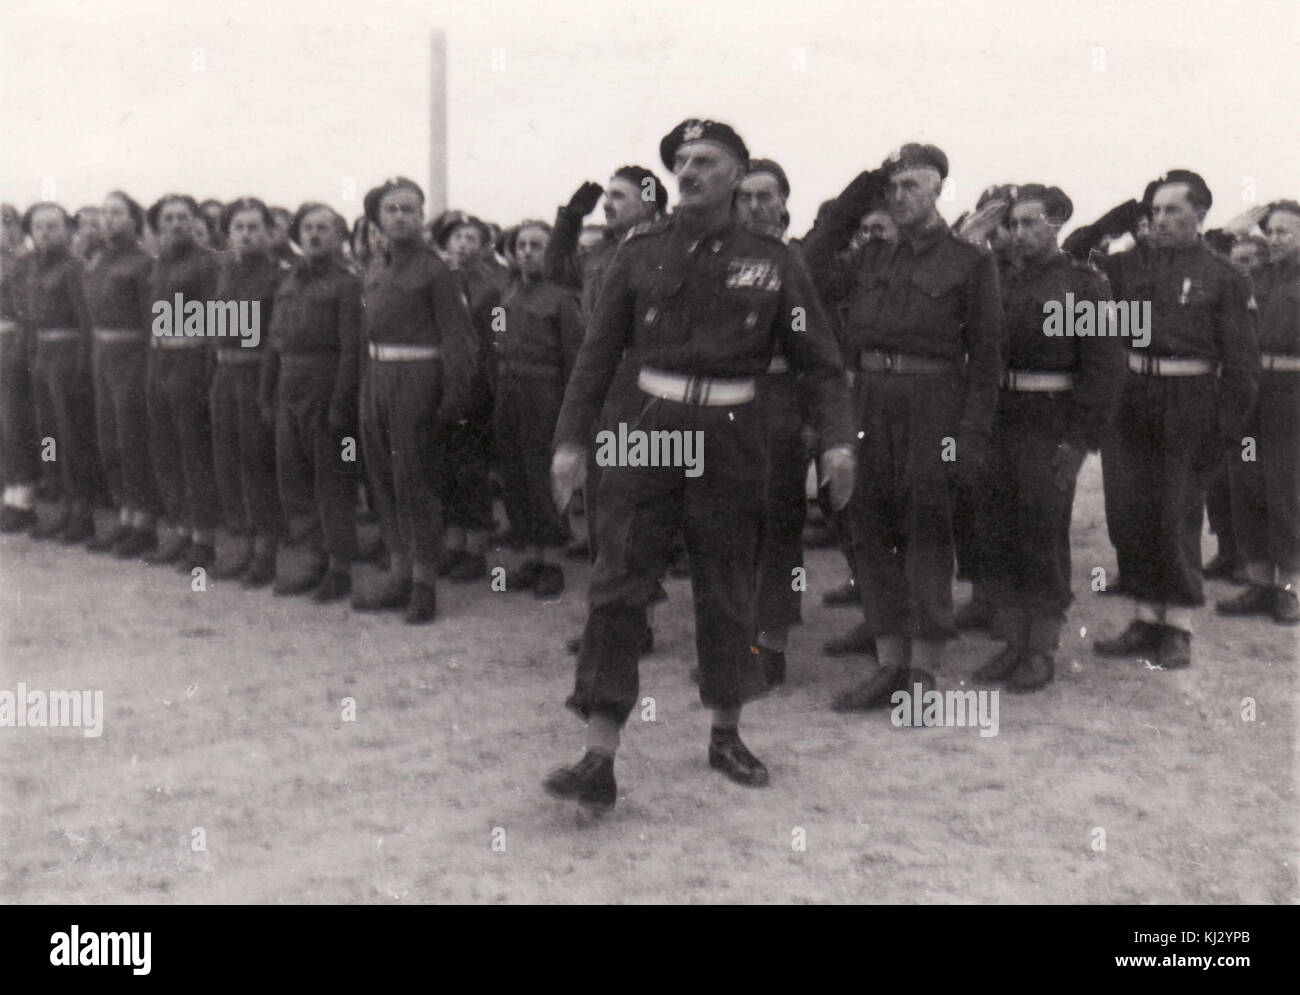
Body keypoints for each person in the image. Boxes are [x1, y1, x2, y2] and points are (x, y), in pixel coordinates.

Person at [543, 118, 856, 812]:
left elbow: (822, 365)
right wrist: (569, 441)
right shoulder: (639, 251)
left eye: (706, 160)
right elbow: (596, 356)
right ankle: (599, 751)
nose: (688, 171)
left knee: (726, 585)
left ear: (738, 173)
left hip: (733, 431)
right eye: (681, 160)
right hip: (647, 429)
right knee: (619, 581)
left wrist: (838, 440)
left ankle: (726, 730)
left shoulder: (775, 261)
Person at [802, 143, 1005, 712]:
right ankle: (889, 662)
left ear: (939, 189)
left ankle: (924, 672)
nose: (899, 197)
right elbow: (809, 267)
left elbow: (987, 361)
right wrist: (855, 195)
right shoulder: (871, 257)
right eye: (891, 188)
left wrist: (970, 438)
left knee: (925, 536)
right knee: (868, 530)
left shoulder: (969, 261)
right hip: (867, 402)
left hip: (933, 405)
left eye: (911, 185)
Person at [1092, 171, 1259, 668]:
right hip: (1133, 396)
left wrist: (1224, 431)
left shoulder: (1225, 277)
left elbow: (1243, 367)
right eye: (1155, 212)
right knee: (1132, 512)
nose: (1160, 221)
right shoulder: (1127, 269)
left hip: (1189, 403)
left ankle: (1178, 623)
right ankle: (1146, 615)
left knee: (1177, 515)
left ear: (1200, 216)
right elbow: (1082, 253)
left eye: (1172, 211)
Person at [971, 185, 1124, 690]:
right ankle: (1012, 640)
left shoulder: (1082, 285)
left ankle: (1040, 648)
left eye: (1031, 222)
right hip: (1000, 420)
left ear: (1056, 224)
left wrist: (1080, 440)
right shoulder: (998, 280)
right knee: (998, 532)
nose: (1019, 233)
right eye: (1013, 224)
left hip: (1049, 423)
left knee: (1042, 536)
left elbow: (1104, 369)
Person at [353, 177, 478, 624]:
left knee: (416, 483)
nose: (402, 217)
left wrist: (453, 396)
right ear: (377, 219)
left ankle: (424, 583)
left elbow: (458, 340)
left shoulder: (436, 270)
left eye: (410, 209)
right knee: (383, 482)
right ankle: (398, 573)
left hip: (418, 383)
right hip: (378, 380)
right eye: (392, 209)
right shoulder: (375, 268)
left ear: (422, 217)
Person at [260, 202, 362, 601]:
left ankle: (340, 569)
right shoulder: (289, 283)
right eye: (307, 229)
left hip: (325, 390)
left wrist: (341, 404)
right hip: (289, 391)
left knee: (332, 484)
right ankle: (314, 560)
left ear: (338, 237)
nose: (314, 235)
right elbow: (274, 342)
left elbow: (351, 350)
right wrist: (266, 393)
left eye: (323, 229)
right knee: (295, 483)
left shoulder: (346, 284)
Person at [736, 156, 806, 686]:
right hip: (727, 403)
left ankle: (771, 646)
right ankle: (738, 640)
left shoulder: (796, 260)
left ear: (784, 203)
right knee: (729, 527)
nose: (756, 206)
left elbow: (818, 348)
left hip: (779, 401)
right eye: (747, 197)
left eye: (766, 196)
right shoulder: (719, 260)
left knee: (777, 526)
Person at [1217, 200, 1300, 625]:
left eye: (1285, 231)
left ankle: (1289, 586)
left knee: (1285, 491)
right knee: (1247, 484)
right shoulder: (1253, 278)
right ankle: (1258, 580)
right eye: (1272, 231)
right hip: (1251, 398)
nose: (1276, 239)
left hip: (1291, 399)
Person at [494, 220, 583, 598]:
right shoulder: (507, 296)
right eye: (521, 246)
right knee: (514, 476)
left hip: (543, 395)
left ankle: (552, 562)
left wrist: (569, 415)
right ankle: (530, 555)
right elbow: (492, 342)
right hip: (507, 393)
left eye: (536, 245)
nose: (527, 251)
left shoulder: (562, 300)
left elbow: (575, 359)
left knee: (541, 476)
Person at [208, 197, 286, 586]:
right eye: (239, 227)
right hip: (225, 374)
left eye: (254, 227)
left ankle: (266, 552)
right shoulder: (225, 272)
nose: (246, 234)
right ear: (228, 233)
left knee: (258, 464)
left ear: (269, 233)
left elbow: (276, 340)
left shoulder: (278, 277)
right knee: (231, 461)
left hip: (257, 375)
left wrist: (269, 391)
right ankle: (245, 544)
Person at [142, 194, 222, 571]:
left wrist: (208, 372)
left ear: (193, 222)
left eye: (183, 218)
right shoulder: (158, 266)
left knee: (194, 455)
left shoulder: (207, 264)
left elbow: (217, 321)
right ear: (158, 228)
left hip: (192, 362)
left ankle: (203, 542)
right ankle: (181, 533)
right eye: (168, 219)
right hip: (161, 361)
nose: (176, 225)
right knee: (166, 452)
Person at [83, 190, 159, 556]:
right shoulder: (96, 261)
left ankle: (143, 525)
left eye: (117, 212)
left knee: (132, 442)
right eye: (105, 212)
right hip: (103, 355)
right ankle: (125, 517)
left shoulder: (144, 264)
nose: (108, 219)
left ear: (133, 221)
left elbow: (151, 323)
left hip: (132, 357)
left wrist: (148, 370)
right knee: (109, 440)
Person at [432, 210, 504, 581]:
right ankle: (453, 544)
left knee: (471, 470)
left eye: (471, 238)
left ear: (483, 246)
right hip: (441, 382)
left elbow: (495, 340)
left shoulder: (491, 287)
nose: (463, 245)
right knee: (446, 468)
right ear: (445, 244)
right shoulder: (438, 280)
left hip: (476, 387)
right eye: (457, 237)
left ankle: (475, 549)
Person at [23, 202, 96, 542]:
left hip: (67, 360)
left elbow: (85, 322)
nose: (45, 234)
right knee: (49, 436)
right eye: (38, 227)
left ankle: (81, 513)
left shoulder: (73, 268)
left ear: (66, 230)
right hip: (43, 358)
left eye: (52, 226)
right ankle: (63, 506)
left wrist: (82, 369)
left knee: (71, 437)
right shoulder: (35, 268)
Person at [0, 203, 39, 533]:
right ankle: (8, 494)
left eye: (7, 222)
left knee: (15, 424)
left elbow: (27, 312)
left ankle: (22, 498)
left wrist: (18, 351)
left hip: (12, 345)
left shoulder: (24, 263)